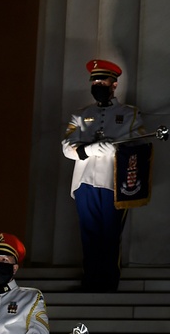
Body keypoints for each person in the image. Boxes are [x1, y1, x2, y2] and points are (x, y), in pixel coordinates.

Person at [60, 59, 145, 292]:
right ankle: (91, 279)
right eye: (95, 80)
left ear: (114, 84)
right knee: (89, 233)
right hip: (85, 181)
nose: (98, 84)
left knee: (110, 233)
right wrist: (90, 149)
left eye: (103, 80)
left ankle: (108, 281)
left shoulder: (129, 114)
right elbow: (67, 147)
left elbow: (137, 143)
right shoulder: (80, 115)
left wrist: (114, 149)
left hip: (114, 182)